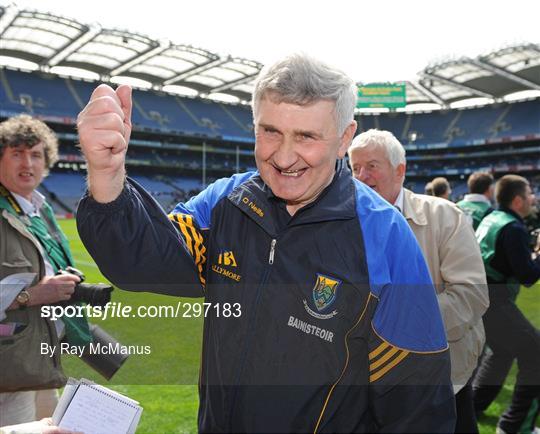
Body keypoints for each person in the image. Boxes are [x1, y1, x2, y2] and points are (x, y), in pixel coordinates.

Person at [76, 53, 455, 433]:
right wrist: (107, 173)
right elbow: (143, 261)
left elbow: (417, 402)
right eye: (270, 131)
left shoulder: (386, 238)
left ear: (344, 138)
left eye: (306, 136)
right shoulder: (225, 202)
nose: (285, 156)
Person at [348, 129, 489, 433]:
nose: (360, 176)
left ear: (400, 170)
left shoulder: (444, 216)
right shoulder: (341, 223)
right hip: (366, 380)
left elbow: (471, 295)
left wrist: (393, 324)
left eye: (372, 166)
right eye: (354, 167)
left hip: (441, 379)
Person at [0, 115, 88, 426]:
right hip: (8, 368)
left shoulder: (40, 208)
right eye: (16, 153)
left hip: (42, 358)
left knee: (50, 425)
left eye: (36, 154)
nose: (28, 162)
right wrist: (34, 295)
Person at [472, 174, 540, 434]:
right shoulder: (513, 227)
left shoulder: (492, 218)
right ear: (517, 200)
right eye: (529, 194)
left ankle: (473, 406)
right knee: (535, 354)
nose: (533, 198)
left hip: (480, 297)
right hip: (494, 299)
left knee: (501, 353)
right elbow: (528, 276)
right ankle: (515, 426)